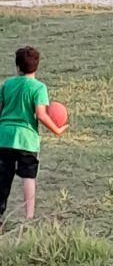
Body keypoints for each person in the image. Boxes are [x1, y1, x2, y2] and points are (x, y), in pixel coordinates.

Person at [0, 46, 65, 223]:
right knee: (28, 177)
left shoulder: (7, 85)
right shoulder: (39, 88)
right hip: (27, 140)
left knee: (2, 178)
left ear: (17, 66)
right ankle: (29, 216)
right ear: (36, 66)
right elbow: (42, 114)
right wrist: (56, 130)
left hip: (4, 138)